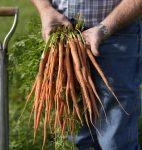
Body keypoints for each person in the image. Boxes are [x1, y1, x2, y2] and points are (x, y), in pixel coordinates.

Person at [31, 0, 142, 149]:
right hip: (62, 32)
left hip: (117, 31)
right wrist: (45, 9)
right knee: (73, 132)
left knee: (116, 139)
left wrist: (104, 28)